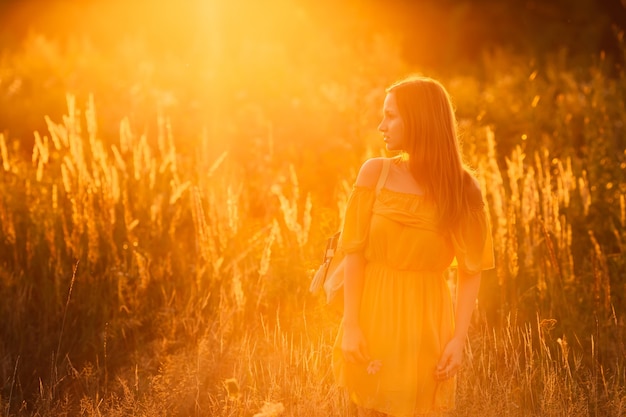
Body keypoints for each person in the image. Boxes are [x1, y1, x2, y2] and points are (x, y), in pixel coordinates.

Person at [332, 75, 495, 416]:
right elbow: (354, 253)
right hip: (372, 319)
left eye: (390, 116)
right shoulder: (374, 174)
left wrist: (458, 340)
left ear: (419, 120)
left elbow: (471, 271)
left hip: (426, 327)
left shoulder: (464, 190)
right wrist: (351, 326)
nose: (381, 126)